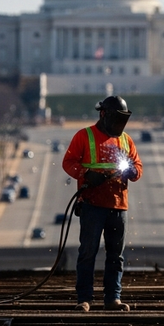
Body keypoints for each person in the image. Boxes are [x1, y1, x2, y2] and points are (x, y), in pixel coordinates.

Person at [61, 96, 143, 312]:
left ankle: (112, 298)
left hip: (118, 205)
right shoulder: (84, 136)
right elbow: (68, 162)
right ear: (103, 114)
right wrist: (86, 174)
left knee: (116, 255)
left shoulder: (125, 140)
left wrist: (132, 171)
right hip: (92, 204)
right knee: (88, 251)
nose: (119, 125)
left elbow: (138, 168)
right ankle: (85, 298)